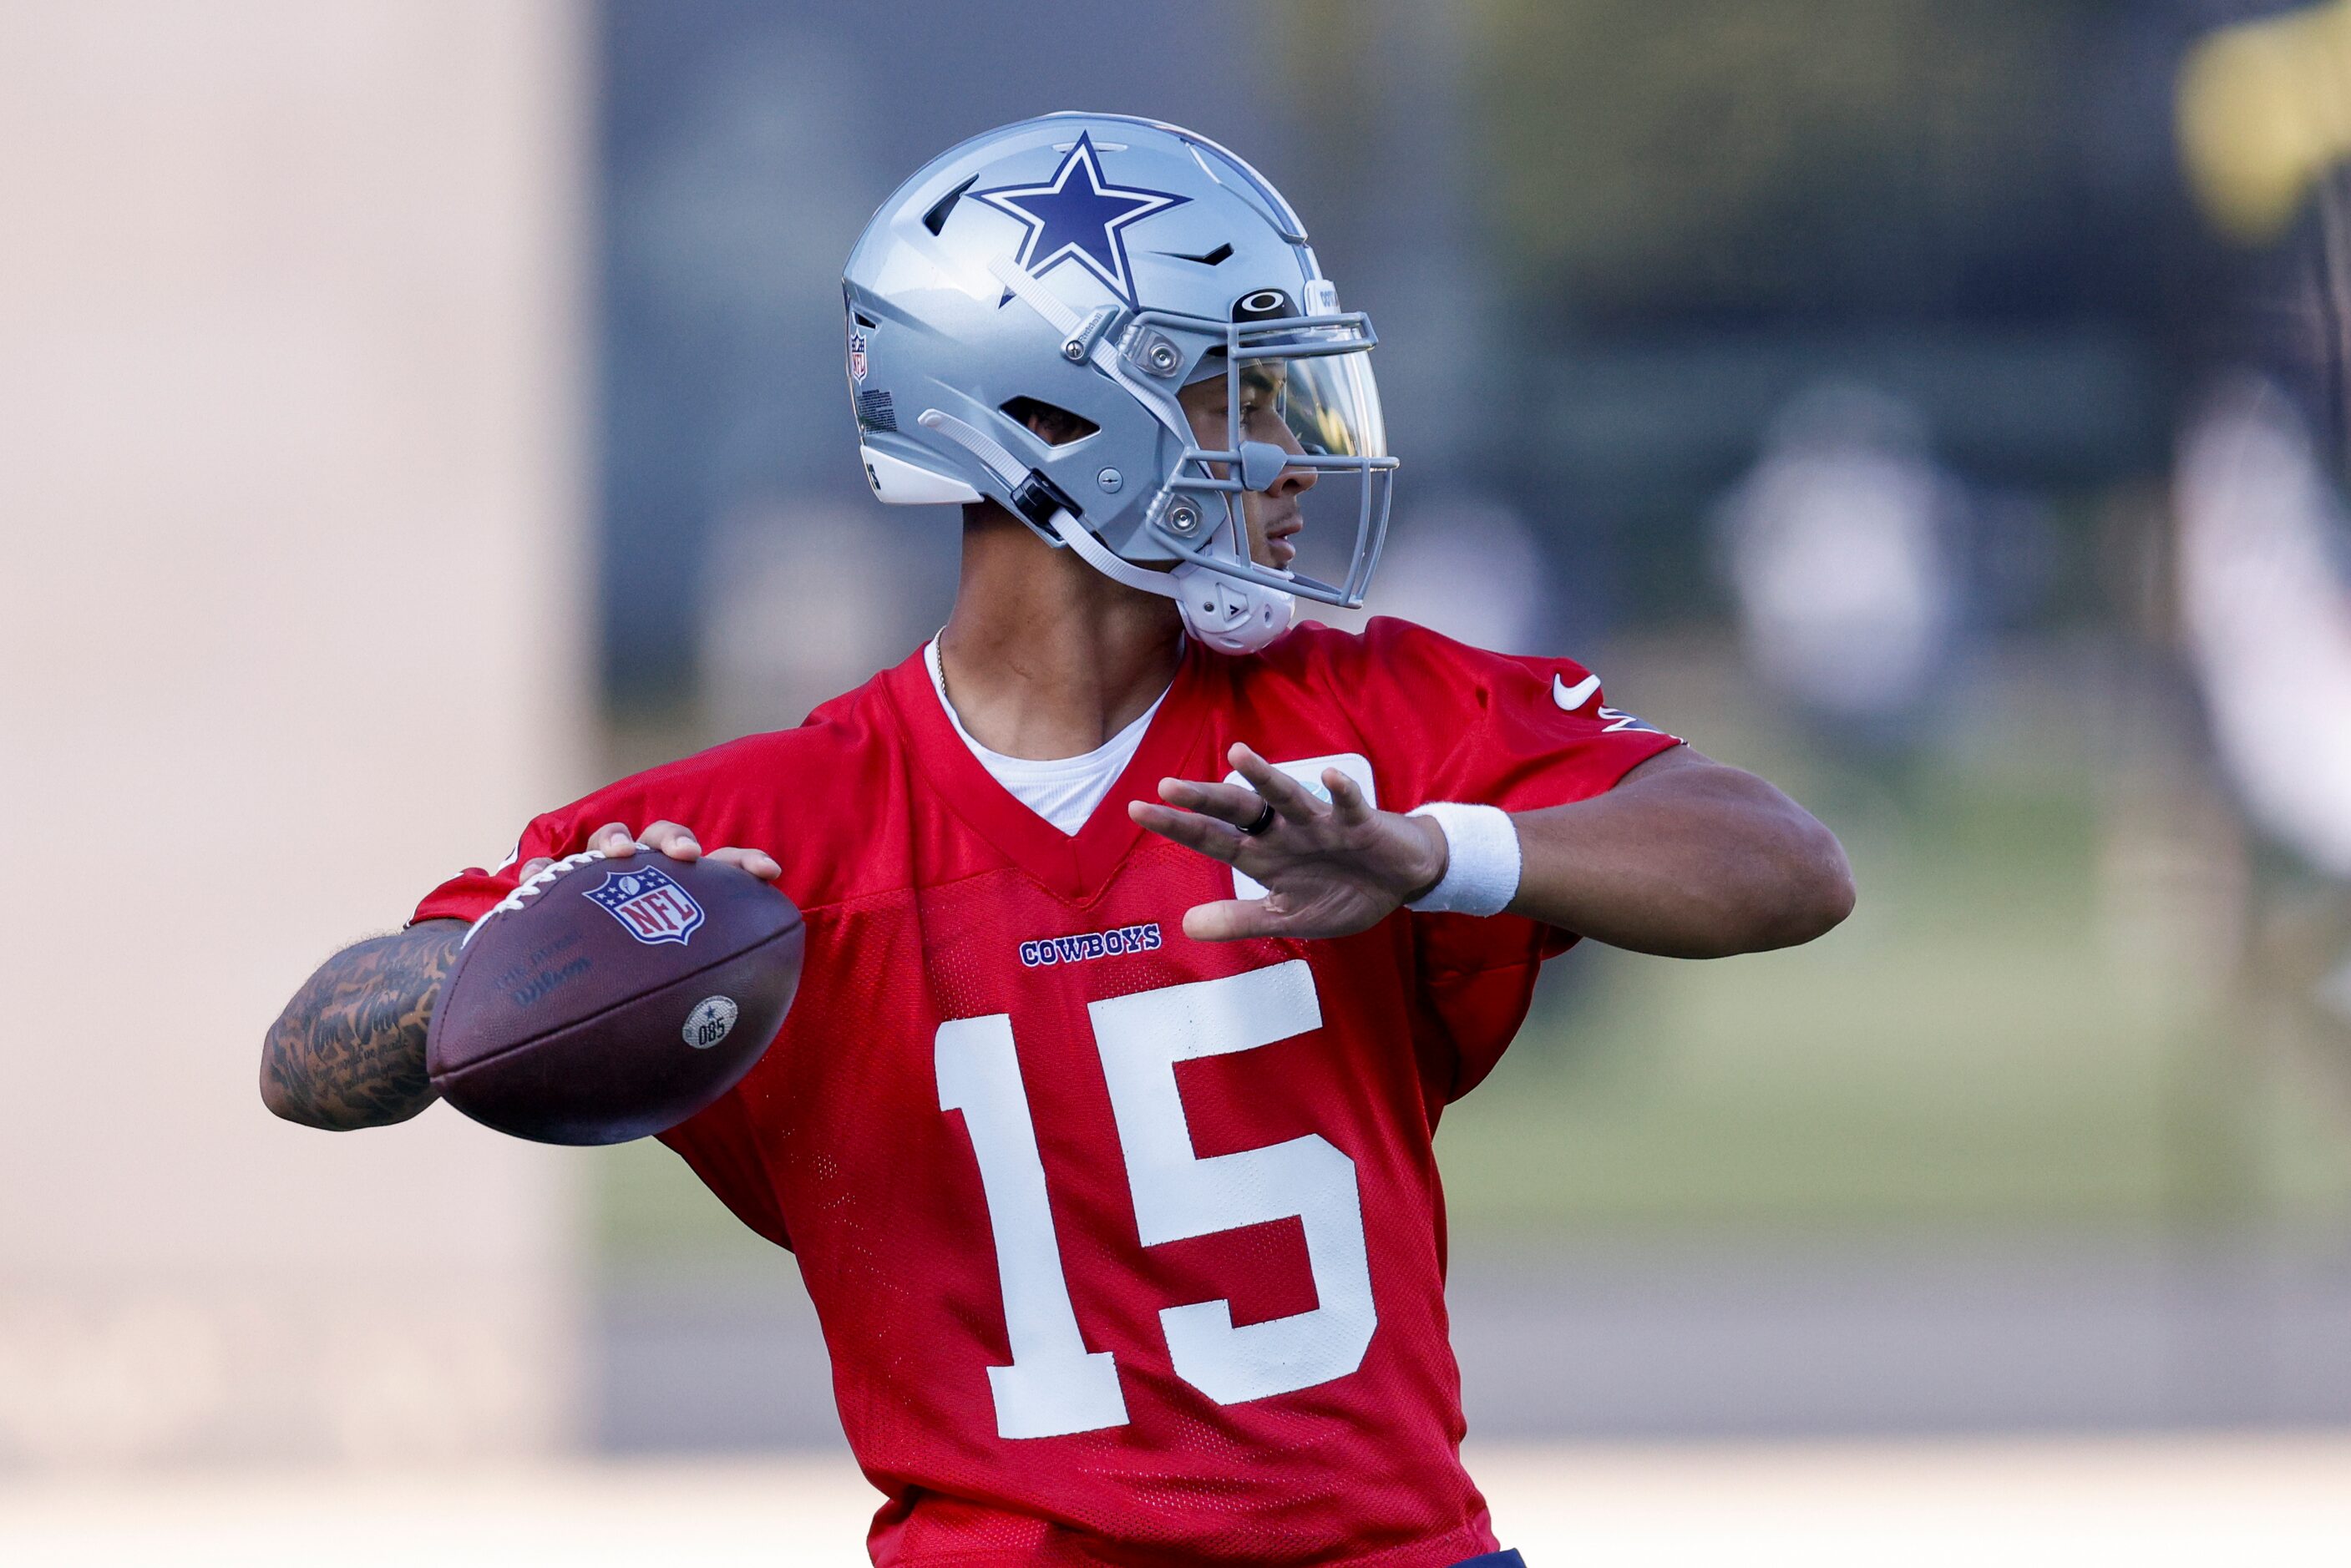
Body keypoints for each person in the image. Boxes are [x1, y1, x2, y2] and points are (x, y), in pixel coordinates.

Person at [261, 113, 1852, 1568]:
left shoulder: (1362, 726)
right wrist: (569, 944)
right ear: (1057, 414)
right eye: (1241, 393)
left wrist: (1444, 853)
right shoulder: (757, 834)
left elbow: (1786, 863)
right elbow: (314, 1056)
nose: (1294, 459)